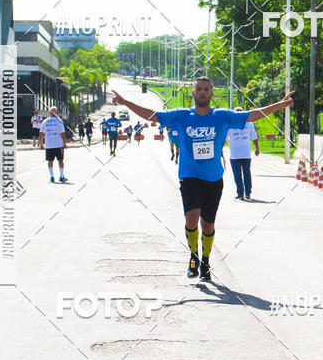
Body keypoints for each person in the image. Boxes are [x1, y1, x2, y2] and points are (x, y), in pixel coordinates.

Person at [111, 77, 294, 282]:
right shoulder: (181, 115)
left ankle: (205, 261)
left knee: (208, 225)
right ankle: (194, 257)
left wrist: (280, 105)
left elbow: (252, 115)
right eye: (198, 89)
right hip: (189, 176)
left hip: (213, 178)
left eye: (206, 89)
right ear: (193, 93)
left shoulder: (222, 116)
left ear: (211, 93)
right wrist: (126, 102)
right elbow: (152, 115)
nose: (202, 92)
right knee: (191, 219)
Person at [226, 107, 259, 200]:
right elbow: (224, 138)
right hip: (237, 154)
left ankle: (244, 193)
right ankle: (243, 193)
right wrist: (257, 148)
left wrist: (257, 148)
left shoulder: (248, 124)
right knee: (244, 174)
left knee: (241, 174)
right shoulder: (230, 125)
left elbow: (254, 136)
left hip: (242, 154)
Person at [39, 105, 68, 183]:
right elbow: (62, 133)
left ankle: (51, 176)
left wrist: (41, 144)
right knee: (60, 160)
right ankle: (61, 176)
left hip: (49, 144)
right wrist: (64, 143)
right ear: (56, 112)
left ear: (49, 113)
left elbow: (41, 133)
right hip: (58, 144)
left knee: (50, 160)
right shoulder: (59, 121)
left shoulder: (45, 121)